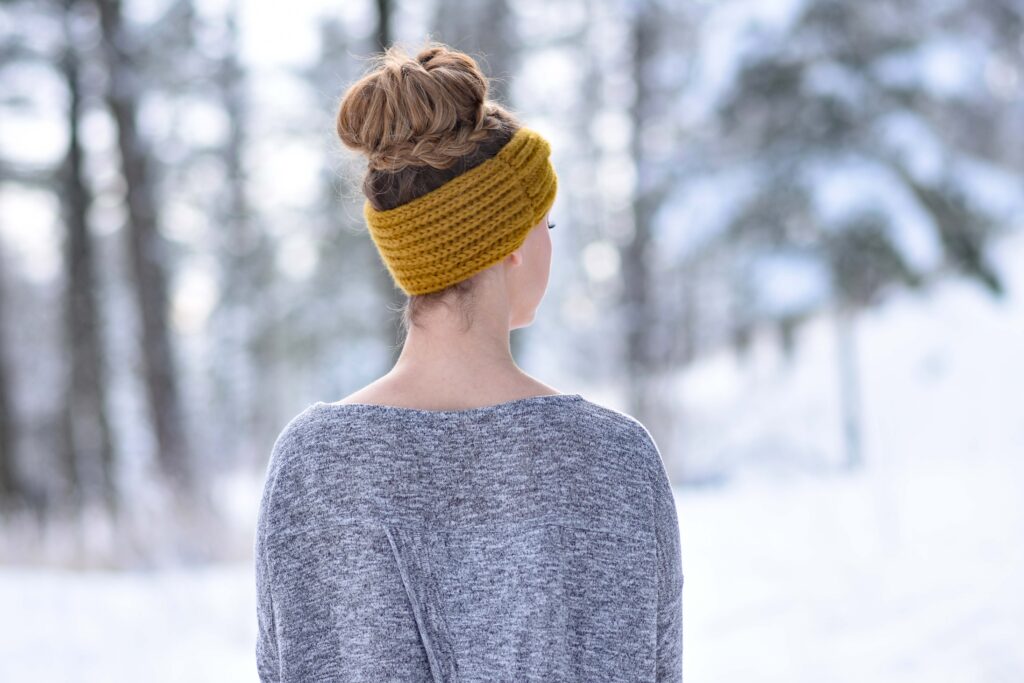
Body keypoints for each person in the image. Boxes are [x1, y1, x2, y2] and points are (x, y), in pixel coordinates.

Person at [254, 40, 683, 682]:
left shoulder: (312, 467)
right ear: (510, 243)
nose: (549, 245)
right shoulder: (612, 460)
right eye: (547, 225)